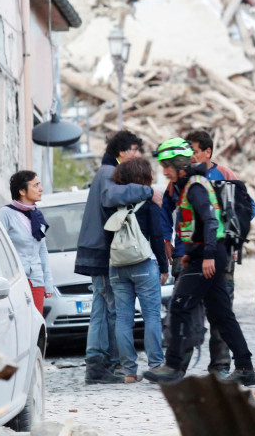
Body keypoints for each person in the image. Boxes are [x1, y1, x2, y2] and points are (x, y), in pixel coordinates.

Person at [144, 138, 255, 386]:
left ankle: (173, 366)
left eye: (167, 166)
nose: (164, 171)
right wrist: (190, 253)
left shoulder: (195, 186)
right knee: (221, 315)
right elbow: (195, 224)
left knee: (180, 307)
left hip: (209, 257)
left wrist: (205, 256)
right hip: (205, 255)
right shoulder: (190, 184)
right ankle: (246, 368)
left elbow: (210, 221)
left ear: (178, 164)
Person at [76, 130, 157, 385]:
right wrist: (147, 191)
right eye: (133, 149)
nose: (136, 154)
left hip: (99, 249)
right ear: (121, 152)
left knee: (108, 309)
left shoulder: (106, 171)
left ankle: (103, 365)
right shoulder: (107, 172)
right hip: (102, 251)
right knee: (105, 310)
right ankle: (100, 366)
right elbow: (111, 196)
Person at [183, 129, 255, 375]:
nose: (190, 156)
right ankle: (178, 366)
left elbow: (249, 207)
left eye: (193, 151)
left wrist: (230, 232)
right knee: (187, 310)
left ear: (207, 152)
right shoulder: (184, 177)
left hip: (220, 257)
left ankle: (221, 365)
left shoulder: (224, 174)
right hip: (191, 256)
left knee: (221, 312)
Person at [109, 158, 168, 383]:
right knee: (151, 315)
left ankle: (129, 372)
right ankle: (155, 365)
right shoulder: (150, 202)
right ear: (144, 177)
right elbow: (156, 235)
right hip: (144, 263)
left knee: (123, 318)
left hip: (117, 265)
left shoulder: (114, 202)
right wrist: (163, 266)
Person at [0, 171, 54, 315]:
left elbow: (42, 251)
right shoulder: (6, 213)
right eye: (35, 186)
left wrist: (48, 282)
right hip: (15, 281)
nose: (40, 189)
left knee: (36, 328)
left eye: (39, 185)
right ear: (22, 191)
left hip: (36, 281)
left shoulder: (37, 215)